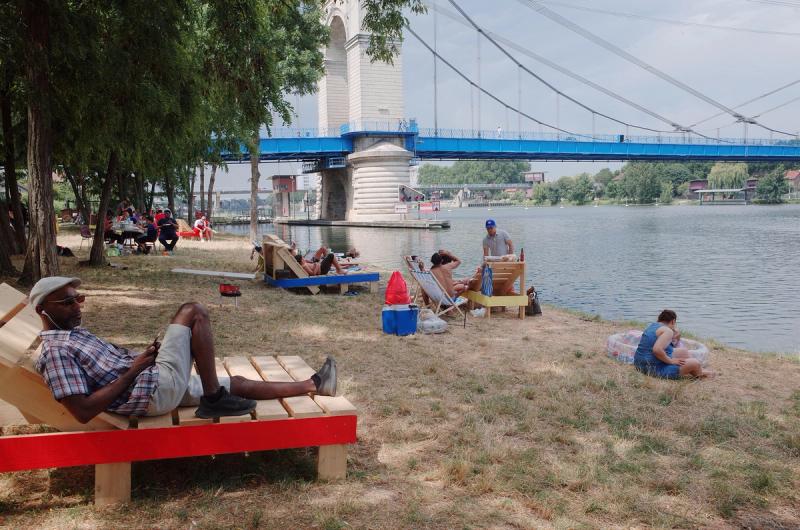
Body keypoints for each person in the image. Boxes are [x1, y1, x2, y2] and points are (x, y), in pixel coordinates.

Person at [30, 276, 338, 422]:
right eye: (68, 302)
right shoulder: (55, 352)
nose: (77, 306)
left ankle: (313, 385)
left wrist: (140, 360)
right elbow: (83, 411)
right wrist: (136, 368)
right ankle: (215, 399)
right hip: (151, 391)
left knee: (237, 383)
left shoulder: (69, 333)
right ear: (43, 309)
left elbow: (107, 369)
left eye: (78, 298)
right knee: (192, 311)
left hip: (149, 381)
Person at [633, 310, 713, 379]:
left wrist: (676, 337)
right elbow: (656, 350)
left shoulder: (653, 326)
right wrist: (670, 361)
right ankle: (700, 374)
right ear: (673, 321)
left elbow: (666, 347)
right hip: (651, 368)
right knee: (695, 363)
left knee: (683, 352)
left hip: (639, 364)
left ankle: (696, 370)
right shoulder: (668, 331)